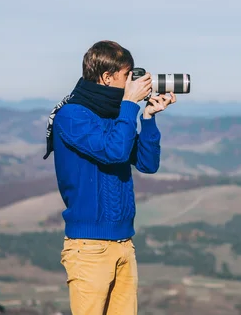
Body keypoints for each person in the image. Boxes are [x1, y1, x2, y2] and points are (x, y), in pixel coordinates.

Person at [43, 40, 176, 315]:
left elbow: (147, 163)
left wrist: (148, 117)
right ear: (106, 77)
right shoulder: (72, 116)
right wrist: (129, 104)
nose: (133, 82)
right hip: (90, 249)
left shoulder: (115, 115)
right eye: (127, 76)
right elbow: (114, 152)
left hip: (124, 243)